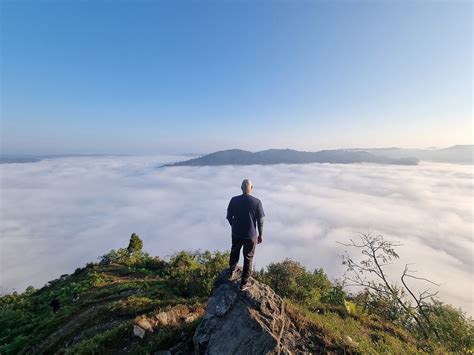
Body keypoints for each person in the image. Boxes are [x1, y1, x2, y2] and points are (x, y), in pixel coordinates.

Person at [226, 178, 265, 291]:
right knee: (248, 258)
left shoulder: (234, 200)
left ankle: (231, 272)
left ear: (241, 188)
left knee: (234, 251)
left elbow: (229, 216)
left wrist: (233, 225)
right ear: (251, 188)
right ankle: (244, 283)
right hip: (250, 235)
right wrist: (260, 235)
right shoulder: (257, 202)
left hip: (236, 233)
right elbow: (260, 221)